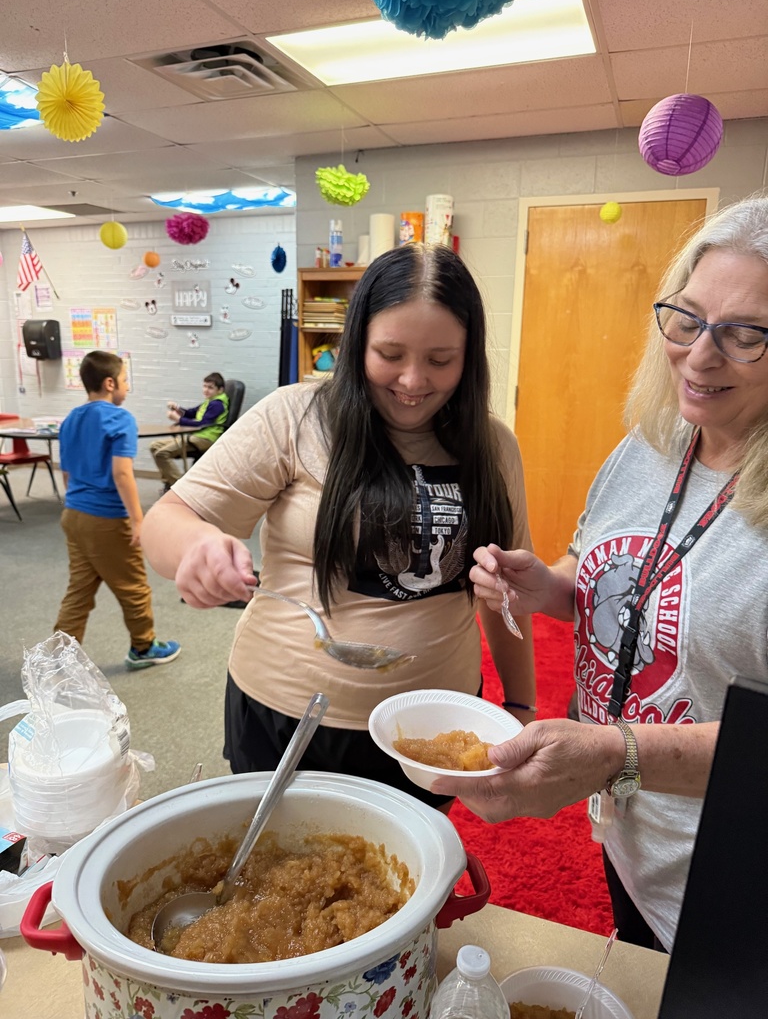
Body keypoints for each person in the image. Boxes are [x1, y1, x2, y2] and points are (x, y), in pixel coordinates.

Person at [434, 195, 768, 952]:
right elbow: (610, 574)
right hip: (636, 832)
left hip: (732, 868)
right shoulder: (651, 446)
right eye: (686, 319)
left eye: (745, 336)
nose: (700, 355)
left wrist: (616, 752)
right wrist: (547, 588)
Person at [141, 242, 535, 810]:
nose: (413, 380)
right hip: (288, 715)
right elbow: (166, 520)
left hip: (431, 726)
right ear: (356, 345)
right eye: (390, 354)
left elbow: (504, 590)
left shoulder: (494, 447)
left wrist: (520, 704)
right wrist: (197, 545)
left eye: (441, 360)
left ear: (469, 358)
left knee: (403, 881)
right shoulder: (295, 416)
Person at [54, 351, 181, 671]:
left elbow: (66, 473)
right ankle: (144, 646)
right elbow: (122, 474)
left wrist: (80, 504)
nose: (126, 386)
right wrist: (139, 521)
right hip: (107, 519)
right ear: (110, 383)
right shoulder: (119, 418)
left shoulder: (70, 419)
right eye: (125, 380)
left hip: (73, 515)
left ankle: (57, 659)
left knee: (79, 589)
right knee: (133, 585)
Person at [150, 372, 229, 491]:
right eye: (205, 386)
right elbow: (191, 413)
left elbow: (201, 423)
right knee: (154, 446)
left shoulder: (217, 404)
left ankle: (180, 489)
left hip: (205, 439)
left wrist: (179, 419)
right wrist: (177, 408)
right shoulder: (209, 401)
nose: (206, 390)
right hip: (197, 436)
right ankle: (168, 482)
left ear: (220, 390)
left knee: (162, 454)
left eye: (210, 387)